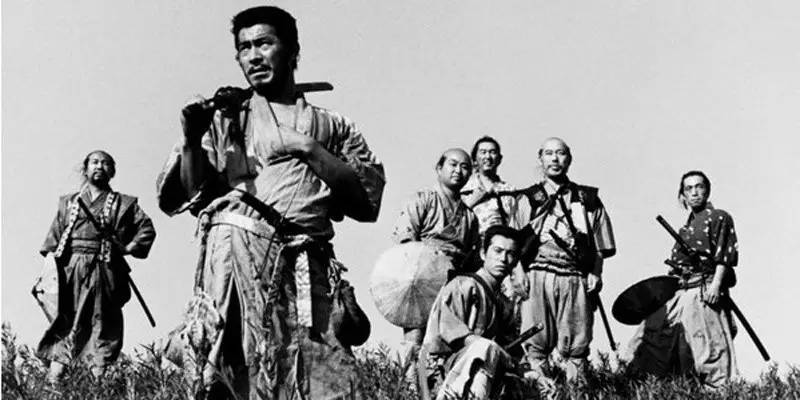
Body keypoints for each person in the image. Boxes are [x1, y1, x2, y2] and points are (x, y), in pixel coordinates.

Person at [155, 6, 385, 399]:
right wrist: (192, 139)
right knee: (234, 377)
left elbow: (365, 203)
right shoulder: (225, 119)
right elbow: (193, 195)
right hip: (233, 267)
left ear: (293, 50)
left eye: (264, 43)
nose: (254, 56)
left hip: (302, 266)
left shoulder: (331, 125)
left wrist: (307, 148)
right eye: (244, 48)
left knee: (323, 379)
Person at [37, 150, 156, 381]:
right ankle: (54, 384)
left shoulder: (124, 204)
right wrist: (47, 276)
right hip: (70, 271)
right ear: (85, 169)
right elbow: (52, 244)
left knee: (102, 326)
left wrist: (127, 247)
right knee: (65, 325)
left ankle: (97, 386)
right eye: (94, 162)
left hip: (104, 271)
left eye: (105, 163)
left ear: (112, 172)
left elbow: (146, 229)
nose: (99, 166)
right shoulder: (68, 202)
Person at [514, 137, 616, 385]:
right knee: (535, 340)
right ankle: (540, 391)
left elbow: (601, 243)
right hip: (538, 272)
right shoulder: (528, 198)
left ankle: (576, 391)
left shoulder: (587, 198)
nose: (555, 159)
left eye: (560, 153)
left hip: (574, 275)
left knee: (577, 343)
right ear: (540, 158)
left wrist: (596, 272)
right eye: (549, 153)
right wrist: (518, 273)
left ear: (569, 159)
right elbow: (513, 241)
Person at [626, 171, 739, 388]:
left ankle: (716, 391)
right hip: (682, 290)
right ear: (683, 196)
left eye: (699, 187)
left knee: (706, 349)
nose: (694, 192)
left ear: (707, 191)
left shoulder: (719, 217)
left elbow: (724, 255)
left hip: (704, 290)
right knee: (653, 338)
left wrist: (716, 285)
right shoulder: (685, 228)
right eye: (689, 188)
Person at [391, 148, 480, 368]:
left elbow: (472, 258)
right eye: (453, 164)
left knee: (448, 342)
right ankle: (407, 383)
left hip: (454, 285)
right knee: (415, 338)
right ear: (439, 168)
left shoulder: (470, 217)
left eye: (465, 167)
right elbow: (405, 239)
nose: (458, 171)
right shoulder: (422, 200)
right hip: (422, 277)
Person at [422, 225, 520, 399]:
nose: (503, 259)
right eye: (497, 251)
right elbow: (456, 337)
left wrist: (532, 374)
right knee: (486, 347)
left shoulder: (504, 303)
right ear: (483, 253)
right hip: (443, 370)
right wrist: (497, 351)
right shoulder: (462, 285)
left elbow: (513, 351)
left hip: (483, 368)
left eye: (510, 254)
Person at [461, 136, 520, 233]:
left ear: (499, 159)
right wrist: (471, 202)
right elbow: (453, 221)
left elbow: (516, 223)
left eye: (492, 152)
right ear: (474, 159)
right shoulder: (463, 189)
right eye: (483, 152)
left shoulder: (510, 190)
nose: (488, 157)